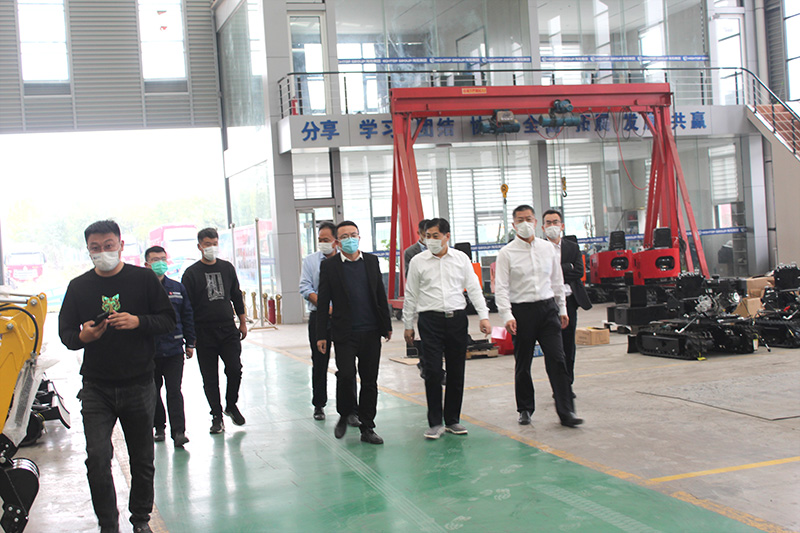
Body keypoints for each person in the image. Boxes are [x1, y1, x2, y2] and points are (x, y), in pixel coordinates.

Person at [58, 220, 176, 533]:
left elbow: (167, 320)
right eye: (95, 248)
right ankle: (108, 524)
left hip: (139, 383)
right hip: (97, 387)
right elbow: (66, 333)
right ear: (88, 250)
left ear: (121, 245)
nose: (103, 252)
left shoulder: (144, 280)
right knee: (97, 457)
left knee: (142, 458)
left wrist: (138, 321)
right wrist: (83, 337)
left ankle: (140, 519)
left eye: (108, 245)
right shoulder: (79, 287)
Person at [494, 205, 583, 428]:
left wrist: (562, 309)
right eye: (520, 220)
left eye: (529, 219)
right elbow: (501, 287)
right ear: (513, 225)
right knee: (523, 362)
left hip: (547, 310)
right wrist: (507, 315)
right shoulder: (506, 253)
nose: (525, 223)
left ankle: (566, 411)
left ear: (535, 222)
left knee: (557, 359)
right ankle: (525, 408)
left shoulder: (547, 249)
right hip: (521, 313)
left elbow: (557, 281)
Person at [403, 218, 492, 439]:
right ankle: (435, 422)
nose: (431, 240)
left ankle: (452, 420)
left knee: (456, 371)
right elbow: (411, 294)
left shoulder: (461, 259)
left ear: (447, 236)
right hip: (429, 321)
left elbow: (474, 288)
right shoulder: (418, 262)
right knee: (433, 371)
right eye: (427, 236)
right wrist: (408, 325)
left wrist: (484, 316)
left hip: (456, 320)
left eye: (435, 236)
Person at [316, 221, 392, 445]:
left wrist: (386, 324)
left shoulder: (371, 261)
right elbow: (323, 302)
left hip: (370, 331)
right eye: (344, 236)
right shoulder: (330, 266)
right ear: (337, 243)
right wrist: (321, 334)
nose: (350, 239)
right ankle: (345, 413)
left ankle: (368, 427)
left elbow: (379, 294)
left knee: (369, 381)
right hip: (344, 333)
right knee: (346, 374)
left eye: (353, 235)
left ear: (359, 237)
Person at [181, 227, 247, 434]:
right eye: (207, 244)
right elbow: (186, 308)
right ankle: (216, 416)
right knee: (210, 377)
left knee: (235, 369)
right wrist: (190, 337)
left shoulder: (227, 268)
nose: (211, 248)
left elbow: (236, 295)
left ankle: (231, 404)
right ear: (199, 246)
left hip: (227, 329)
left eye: (214, 244)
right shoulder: (191, 274)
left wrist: (242, 322)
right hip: (203, 331)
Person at [144, 245, 195, 447]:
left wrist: (190, 342)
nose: (160, 263)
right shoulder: (141, 290)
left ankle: (179, 432)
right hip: (150, 351)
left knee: (174, 391)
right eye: (155, 260)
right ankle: (159, 427)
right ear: (147, 264)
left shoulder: (177, 288)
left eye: (162, 259)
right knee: (153, 391)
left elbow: (187, 315)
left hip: (174, 349)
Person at [542, 209, 592, 388]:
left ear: (562, 225)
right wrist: (566, 267)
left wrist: (557, 270)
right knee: (553, 348)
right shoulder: (539, 248)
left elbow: (578, 271)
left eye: (555, 222)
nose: (552, 226)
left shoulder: (572, 247)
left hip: (570, 301)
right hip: (548, 302)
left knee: (568, 345)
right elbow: (542, 274)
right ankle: (557, 386)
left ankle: (568, 384)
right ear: (543, 227)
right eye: (548, 223)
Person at [298, 222, 338, 421]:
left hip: (342, 319)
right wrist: (326, 308)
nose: (322, 243)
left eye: (326, 240)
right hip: (318, 318)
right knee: (319, 362)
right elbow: (305, 288)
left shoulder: (343, 260)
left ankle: (349, 408)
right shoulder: (310, 261)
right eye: (320, 240)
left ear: (335, 241)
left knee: (346, 363)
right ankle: (319, 405)